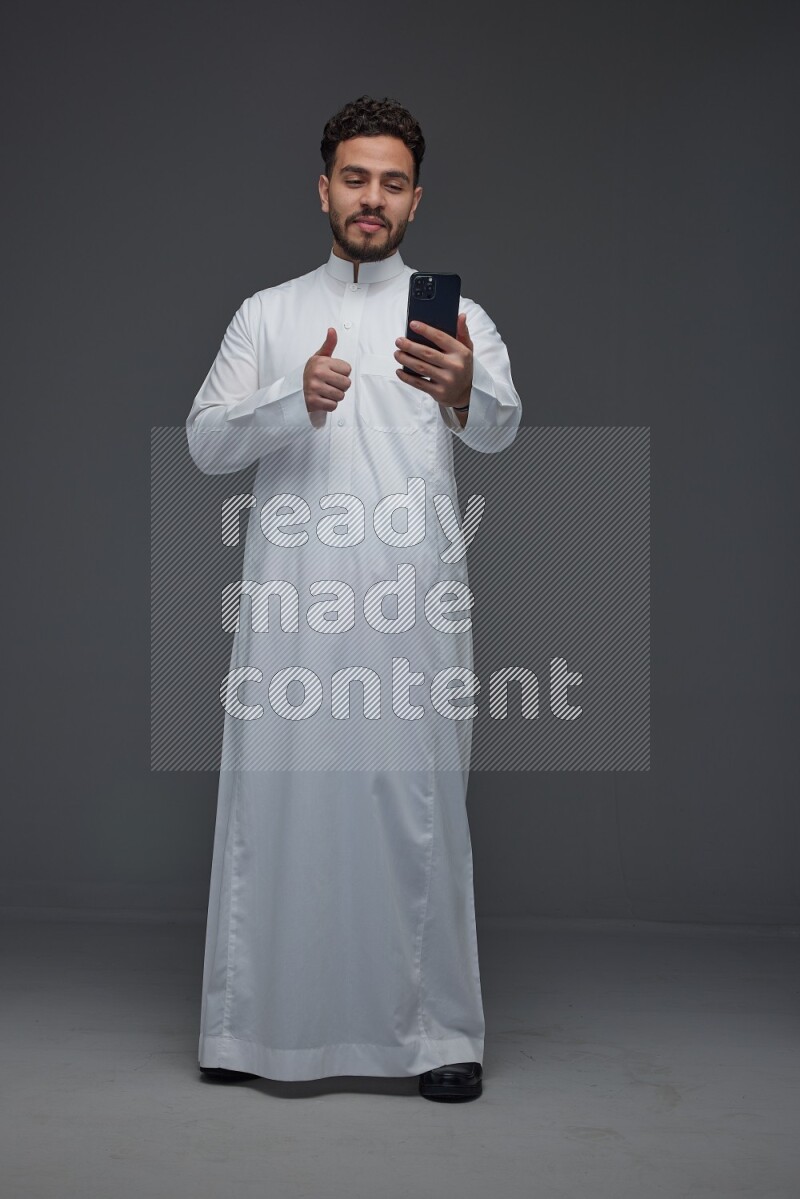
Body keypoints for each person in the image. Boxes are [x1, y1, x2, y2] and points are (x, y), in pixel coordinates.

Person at [186, 95, 521, 1102]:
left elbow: (499, 429)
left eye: (389, 182)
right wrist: (294, 399)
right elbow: (205, 439)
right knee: (276, 805)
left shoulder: (458, 315)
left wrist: (462, 387)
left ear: (415, 197)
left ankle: (435, 1035)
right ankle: (251, 1028)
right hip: (293, 609)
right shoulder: (268, 312)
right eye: (352, 177)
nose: (369, 199)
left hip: (410, 607)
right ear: (322, 186)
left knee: (412, 809)